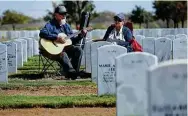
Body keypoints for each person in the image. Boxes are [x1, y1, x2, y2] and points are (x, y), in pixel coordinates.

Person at [39, 5, 90, 80]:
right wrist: (56, 37)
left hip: (64, 48)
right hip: (50, 51)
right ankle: (72, 73)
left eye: (65, 14)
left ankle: (73, 72)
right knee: (63, 53)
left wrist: (81, 36)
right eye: (61, 14)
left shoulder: (66, 26)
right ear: (56, 15)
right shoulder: (50, 24)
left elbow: (72, 41)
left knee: (78, 50)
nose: (64, 16)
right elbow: (42, 33)